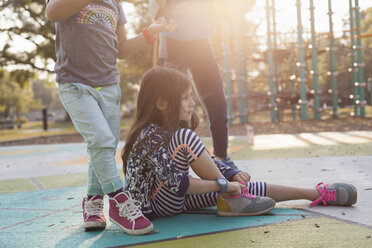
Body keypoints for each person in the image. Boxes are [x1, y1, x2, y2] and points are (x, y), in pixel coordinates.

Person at [121, 66, 357, 220]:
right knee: (188, 140)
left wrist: (232, 175)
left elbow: (205, 162)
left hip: (174, 201)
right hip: (155, 205)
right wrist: (222, 185)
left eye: (191, 96)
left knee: (247, 188)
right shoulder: (148, 135)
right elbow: (176, 183)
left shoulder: (171, 131)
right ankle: (230, 195)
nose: (192, 102)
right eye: (185, 97)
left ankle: (315, 193)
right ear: (162, 104)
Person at [45, 0, 176, 235]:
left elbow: (122, 48)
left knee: (103, 146)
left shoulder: (114, 3)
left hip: (109, 86)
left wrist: (150, 32)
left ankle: (93, 201)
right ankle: (118, 200)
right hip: (75, 84)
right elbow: (53, 12)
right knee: (102, 140)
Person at [148, 0, 237, 169]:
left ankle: (222, 157)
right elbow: (156, 10)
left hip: (201, 41)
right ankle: (168, 158)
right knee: (168, 103)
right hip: (172, 40)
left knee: (217, 101)